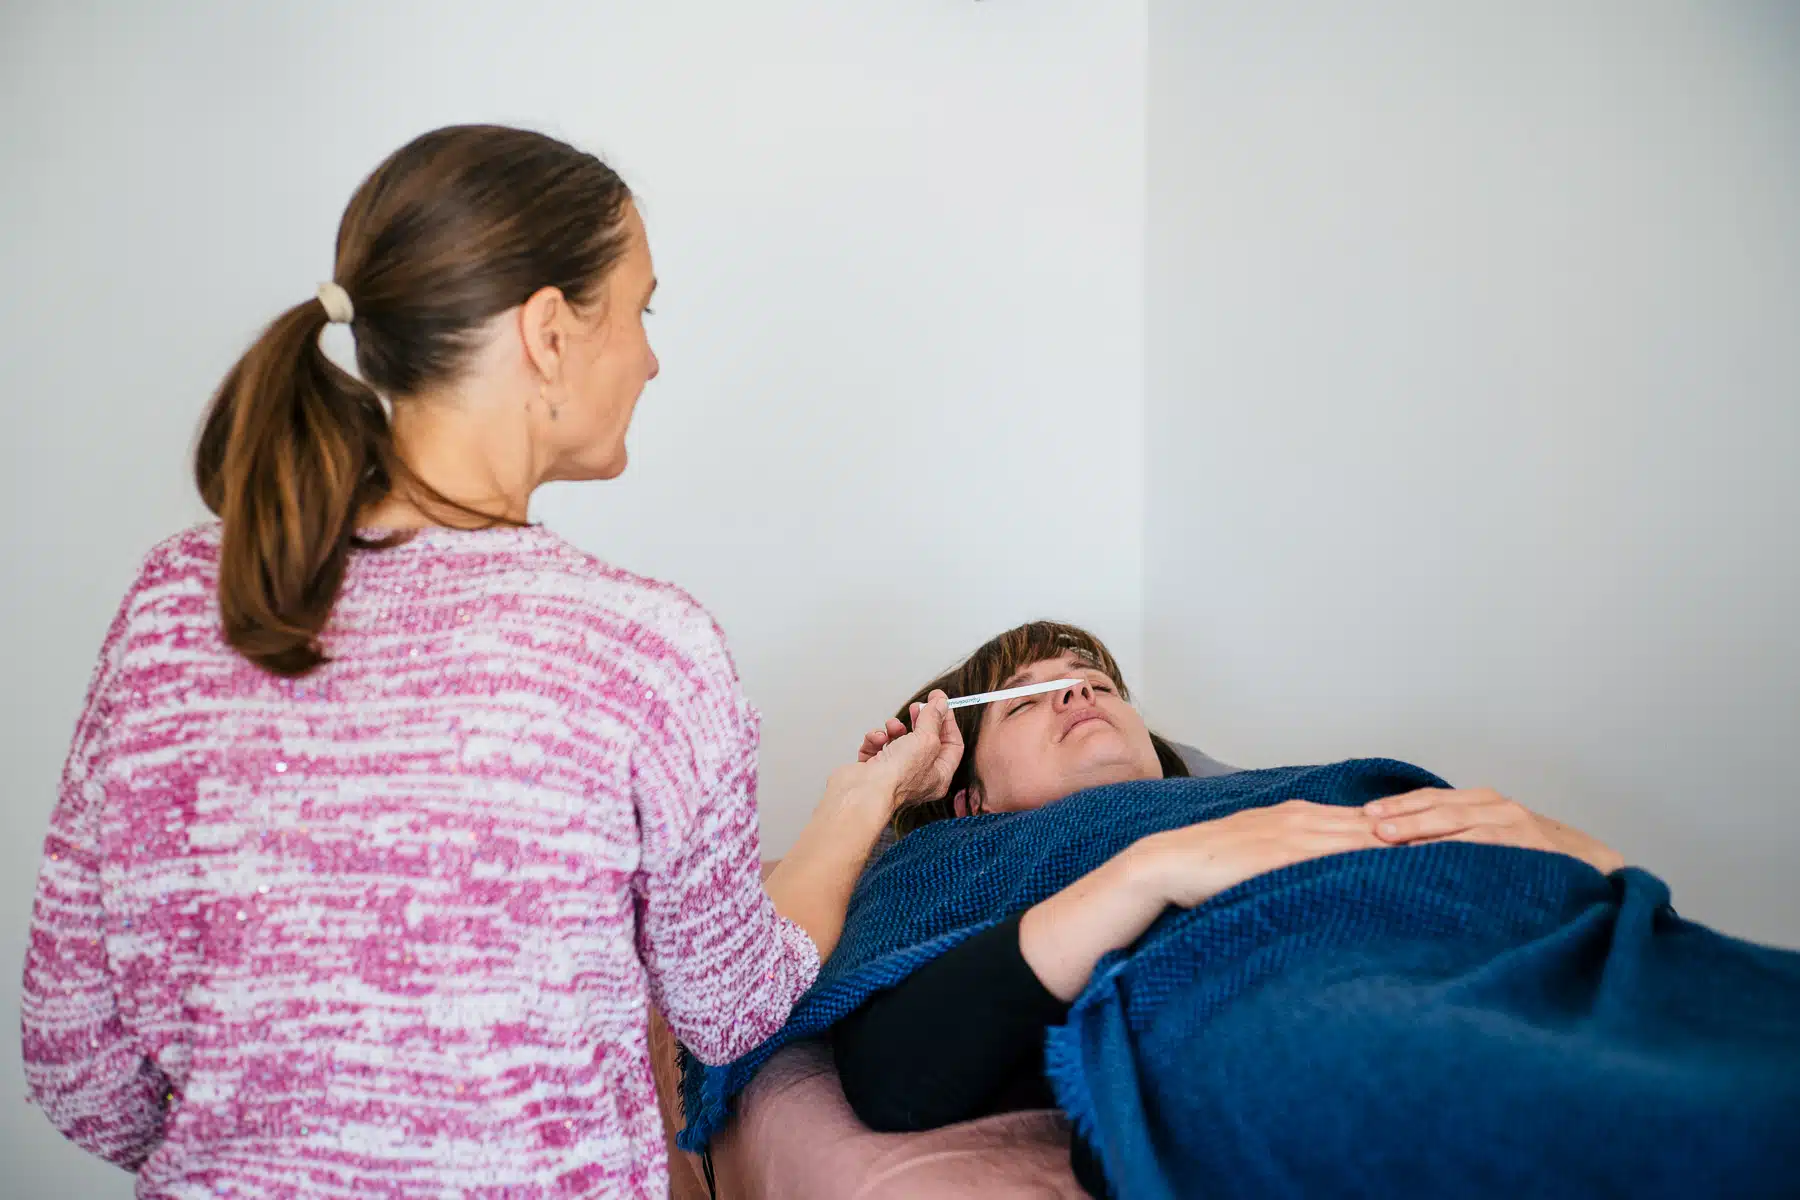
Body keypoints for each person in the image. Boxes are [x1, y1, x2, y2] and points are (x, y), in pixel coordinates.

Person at [19, 124, 956, 1200]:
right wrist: (864, 801)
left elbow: (79, 1069)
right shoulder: (638, 650)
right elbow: (732, 1004)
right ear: (551, 331)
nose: (651, 355)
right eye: (642, 309)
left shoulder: (175, 605)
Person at [835, 621, 1627, 1196]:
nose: (1079, 688)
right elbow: (894, 1072)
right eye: (1027, 700)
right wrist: (1152, 869)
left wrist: (1579, 857)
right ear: (972, 800)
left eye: (1097, 681)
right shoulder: (949, 857)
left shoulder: (1262, 797)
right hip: (1329, 1007)